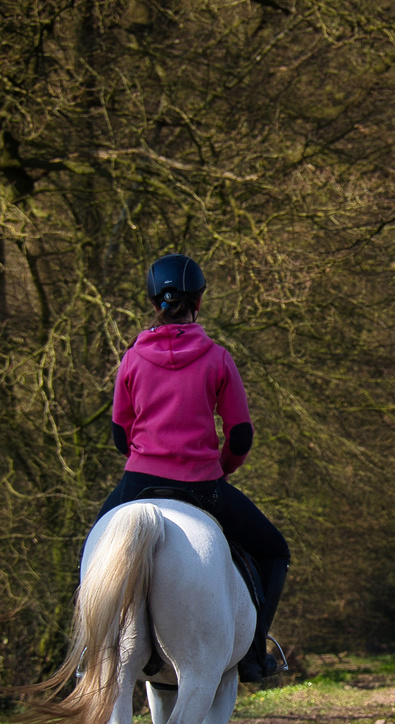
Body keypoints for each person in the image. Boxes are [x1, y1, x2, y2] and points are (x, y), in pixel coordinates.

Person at [97, 253, 288, 682]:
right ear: (198, 300)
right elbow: (240, 435)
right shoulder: (217, 358)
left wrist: (147, 458)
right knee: (274, 551)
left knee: (90, 554)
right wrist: (218, 468)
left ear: (152, 301)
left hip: (140, 483)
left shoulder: (131, 359)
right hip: (202, 487)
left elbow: (118, 434)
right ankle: (255, 655)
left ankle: (90, 656)